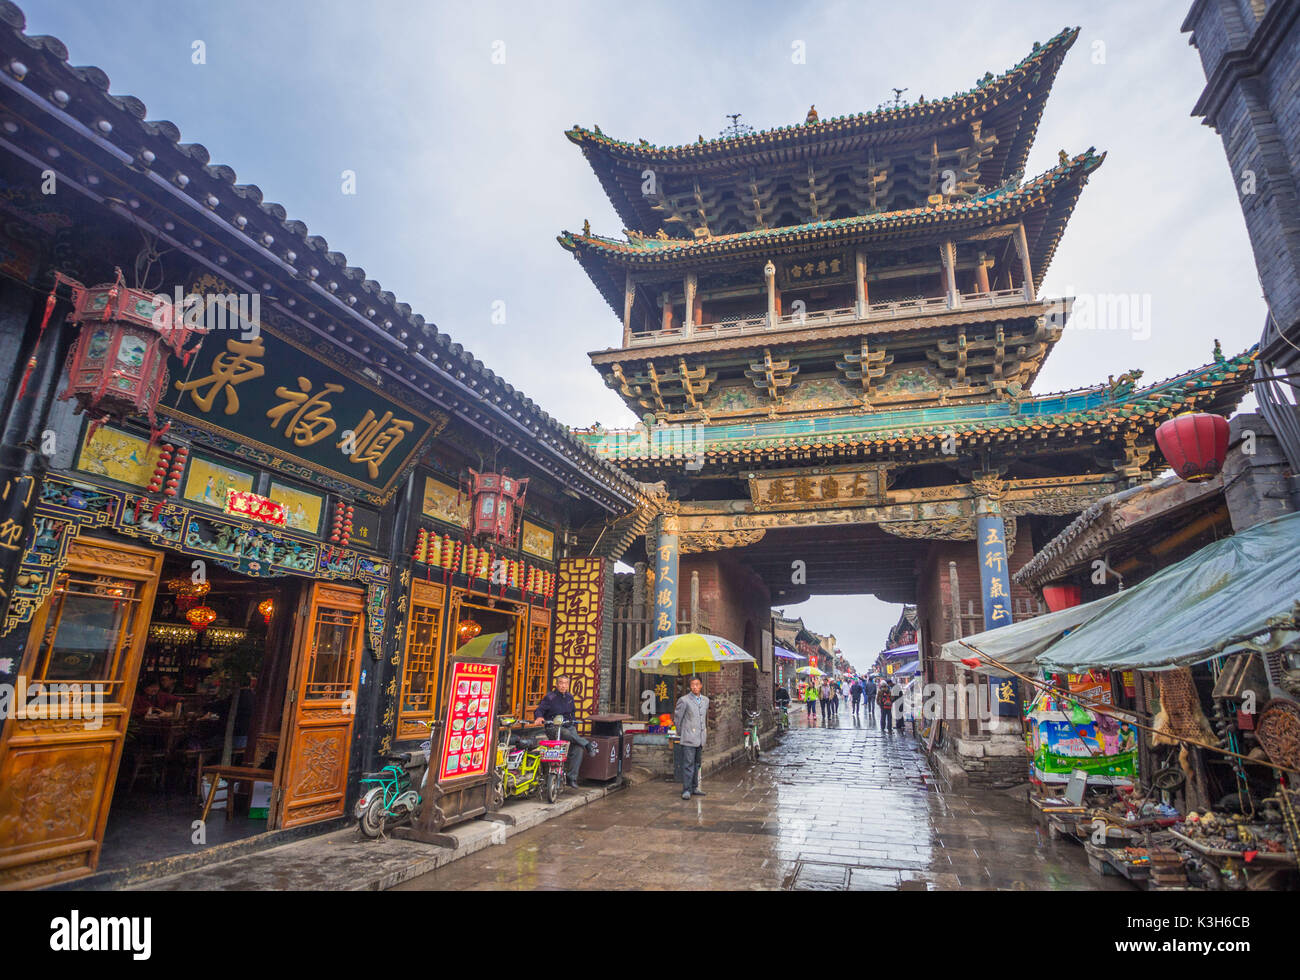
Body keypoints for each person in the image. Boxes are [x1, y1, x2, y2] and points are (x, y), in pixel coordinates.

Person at [533, 675, 598, 789]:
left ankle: (571, 778)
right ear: (557, 684)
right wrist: (539, 717)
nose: (563, 685)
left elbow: (572, 713)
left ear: (568, 685)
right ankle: (587, 744)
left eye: (565, 683)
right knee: (567, 734)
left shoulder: (569, 697)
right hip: (554, 727)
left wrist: (572, 723)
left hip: (569, 726)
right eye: (561, 683)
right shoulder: (550, 697)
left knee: (578, 749)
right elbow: (539, 710)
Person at [675, 676, 709, 800]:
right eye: (692, 685)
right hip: (689, 737)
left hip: (700, 738)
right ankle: (686, 789)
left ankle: (695, 787)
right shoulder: (684, 700)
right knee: (688, 764)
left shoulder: (705, 700)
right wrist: (681, 733)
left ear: (701, 686)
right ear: (690, 686)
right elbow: (678, 718)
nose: (695, 687)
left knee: (697, 764)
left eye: (697, 684)